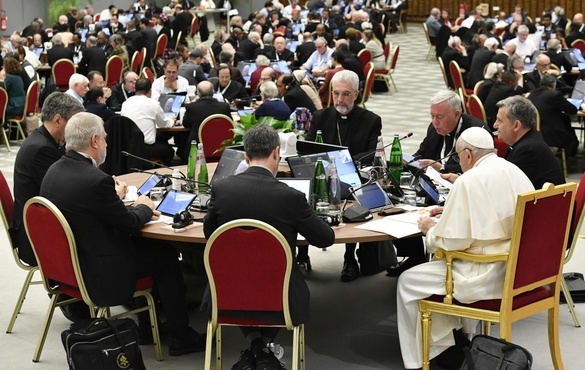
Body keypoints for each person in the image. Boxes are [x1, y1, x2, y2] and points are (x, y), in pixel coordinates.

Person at [40, 112, 206, 356]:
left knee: (148, 250)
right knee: (165, 255)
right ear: (95, 140)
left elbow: (87, 206)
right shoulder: (96, 180)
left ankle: (148, 330)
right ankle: (181, 336)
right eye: (105, 139)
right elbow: (129, 223)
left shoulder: (54, 170)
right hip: (99, 270)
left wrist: (113, 198)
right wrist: (144, 206)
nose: (107, 144)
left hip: (68, 266)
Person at [397, 127, 534, 370]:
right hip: (517, 268)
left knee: (409, 281)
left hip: (482, 272)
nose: (459, 161)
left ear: (469, 155)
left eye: (459, 156)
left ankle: (418, 360)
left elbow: (450, 242)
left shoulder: (469, 180)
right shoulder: (514, 170)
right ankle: (452, 346)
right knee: (433, 278)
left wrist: (429, 228)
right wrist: (451, 208)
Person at [203, 124, 335, 370]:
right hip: (279, 296)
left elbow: (211, 235)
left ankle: (256, 348)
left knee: (244, 278)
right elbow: (325, 239)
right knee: (277, 279)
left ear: (245, 155)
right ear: (277, 153)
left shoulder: (222, 189)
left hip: (227, 293)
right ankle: (264, 354)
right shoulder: (291, 197)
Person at [306, 70, 381, 282]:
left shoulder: (371, 120)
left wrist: (339, 163)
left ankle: (350, 258)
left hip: (353, 178)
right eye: (336, 93)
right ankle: (302, 255)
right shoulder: (321, 116)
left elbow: (370, 154)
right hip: (321, 177)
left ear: (356, 94)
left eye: (346, 94)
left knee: (354, 200)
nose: (340, 99)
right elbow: (309, 149)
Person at [10, 93, 85, 267]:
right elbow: (62, 194)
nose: (76, 131)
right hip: (35, 235)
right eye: (73, 124)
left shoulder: (43, 141)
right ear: (58, 120)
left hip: (37, 223)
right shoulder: (42, 149)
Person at [494, 95, 565, 189]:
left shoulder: (527, 150)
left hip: (548, 202)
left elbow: (506, 188)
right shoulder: (529, 141)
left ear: (516, 125)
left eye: (499, 121)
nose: (495, 125)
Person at [414, 90, 489, 174]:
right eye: (432, 116)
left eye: (440, 116)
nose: (435, 121)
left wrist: (442, 168)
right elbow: (421, 154)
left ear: (456, 114)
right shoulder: (434, 128)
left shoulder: (475, 133)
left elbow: (478, 168)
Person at [121, 78, 176, 165]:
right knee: (169, 151)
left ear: (135, 89)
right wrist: (171, 120)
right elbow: (164, 124)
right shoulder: (153, 104)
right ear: (150, 91)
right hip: (145, 148)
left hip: (128, 146)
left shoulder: (126, 103)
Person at [528, 75, 579, 157]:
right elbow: (572, 110)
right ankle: (560, 162)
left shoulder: (532, 94)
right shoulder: (554, 95)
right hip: (550, 135)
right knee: (573, 140)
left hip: (534, 132)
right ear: (553, 86)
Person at [182, 80, 232, 152]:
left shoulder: (192, 107)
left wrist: (192, 102)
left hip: (198, 148)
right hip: (220, 147)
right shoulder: (224, 106)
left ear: (198, 93)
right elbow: (229, 124)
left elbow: (186, 124)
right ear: (213, 92)